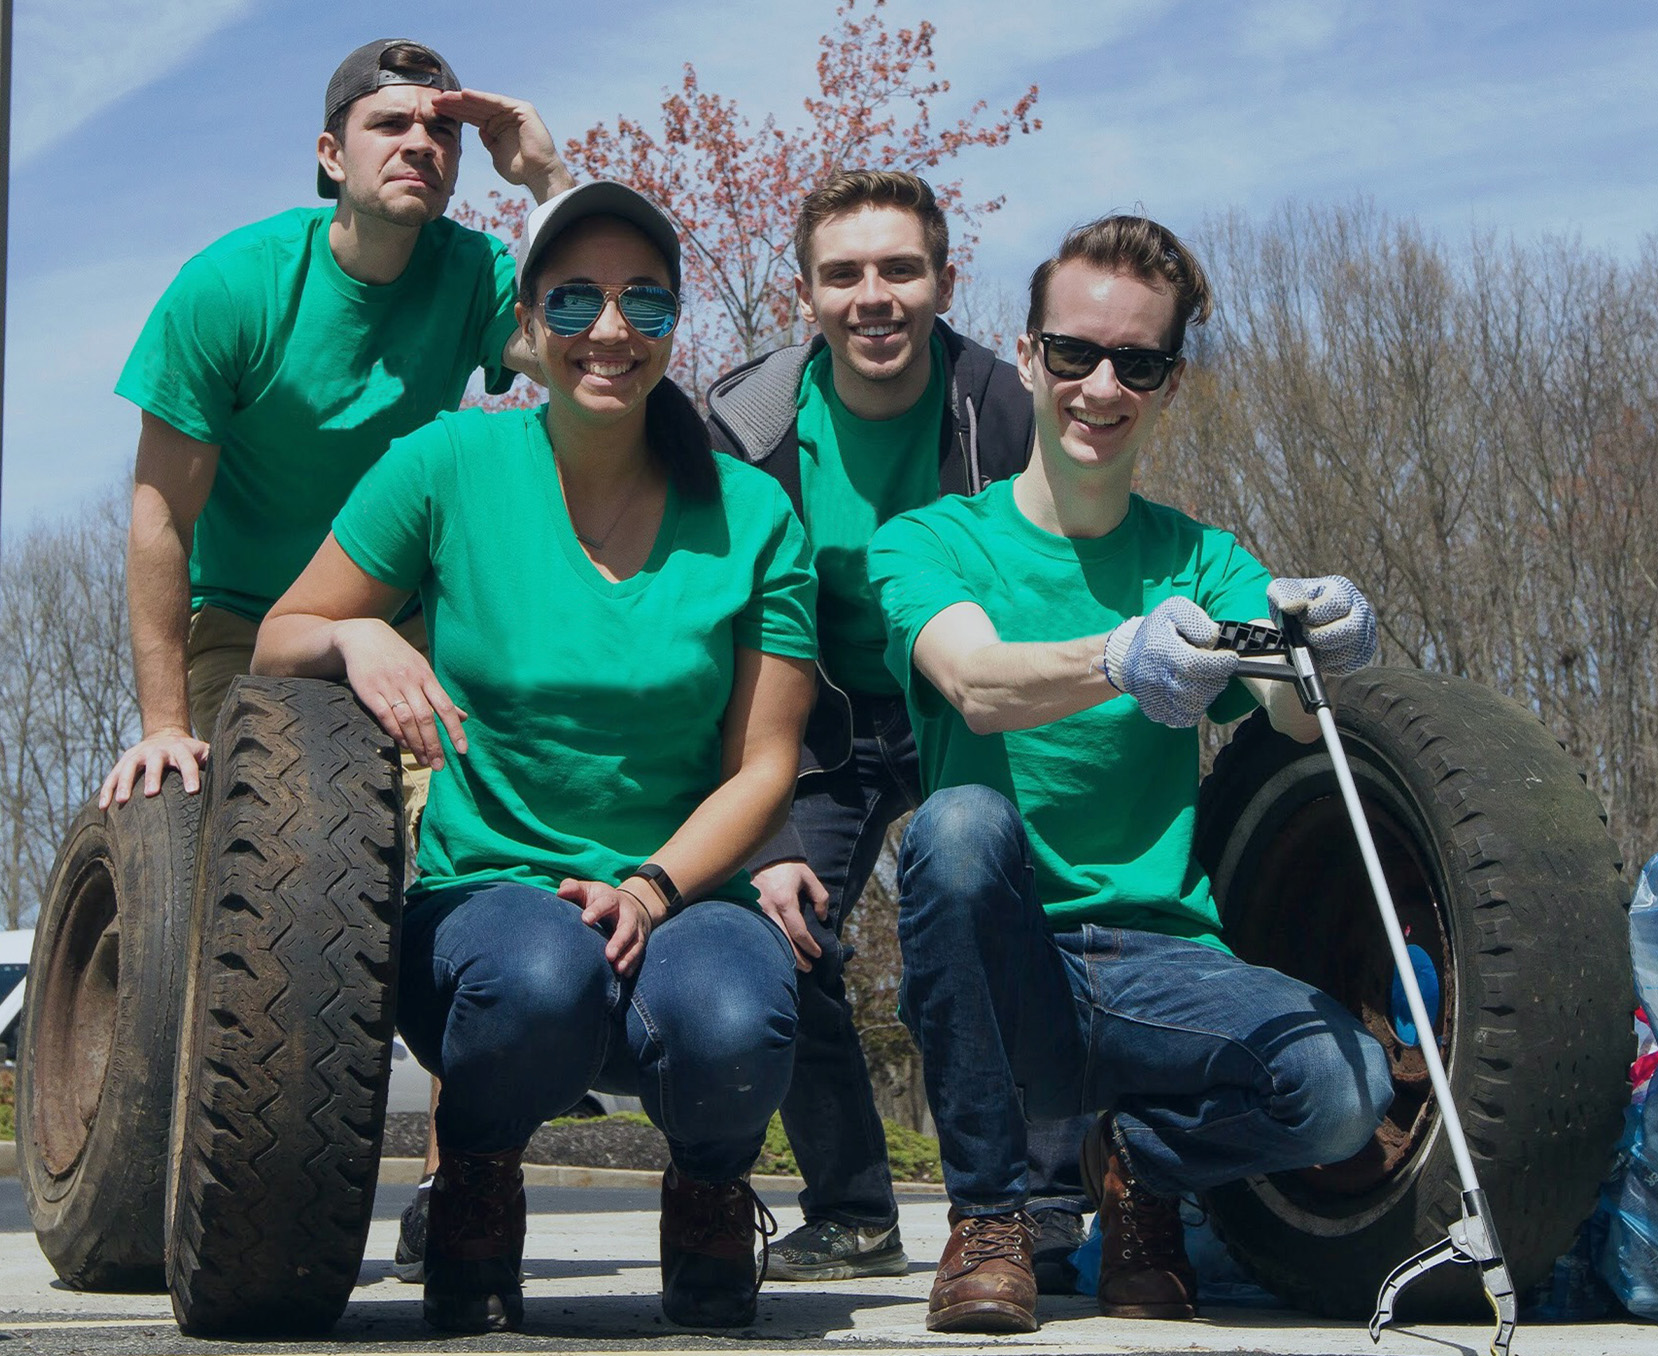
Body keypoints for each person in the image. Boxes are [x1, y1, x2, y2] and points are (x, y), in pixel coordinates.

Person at [253, 181, 818, 1335]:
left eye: (644, 301)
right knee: (538, 981)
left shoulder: (754, 515)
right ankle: (474, 1177)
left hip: (682, 890)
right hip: (486, 896)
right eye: (575, 299)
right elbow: (277, 641)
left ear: (672, 325)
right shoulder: (445, 464)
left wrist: (651, 888)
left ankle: (710, 1192)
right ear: (527, 323)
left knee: (734, 1020)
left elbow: (763, 768)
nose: (610, 328)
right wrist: (358, 634)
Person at [867, 214, 1396, 1333]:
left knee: (1343, 1088)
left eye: (1136, 364)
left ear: (1168, 384)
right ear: (1026, 356)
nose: (1100, 387)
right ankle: (992, 1219)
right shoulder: (929, 541)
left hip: (1165, 965)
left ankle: (1139, 1168)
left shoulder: (1202, 559)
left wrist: (1321, 649)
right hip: (1007, 961)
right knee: (956, 828)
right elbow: (976, 684)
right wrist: (1117, 656)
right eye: (1074, 353)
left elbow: (1289, 715)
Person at [707, 169, 1092, 1288]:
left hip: (964, 699)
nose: (871, 296)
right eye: (843, 275)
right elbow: (716, 635)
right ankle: (851, 1210)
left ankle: (1044, 1202)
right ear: (805, 296)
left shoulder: (1008, 411)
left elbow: (1061, 578)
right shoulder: (742, 428)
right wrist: (767, 841)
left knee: (1028, 917)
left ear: (942, 282)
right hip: (812, 718)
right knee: (774, 931)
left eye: (898, 270)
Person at [100, 36, 572, 811]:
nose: (420, 143)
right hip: (245, 627)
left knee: (473, 824)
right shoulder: (229, 290)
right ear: (331, 155)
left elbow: (581, 356)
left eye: (442, 130)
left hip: (407, 618)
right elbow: (161, 520)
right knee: (268, 835)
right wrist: (164, 727)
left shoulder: (474, 274)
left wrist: (547, 181)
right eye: (389, 124)